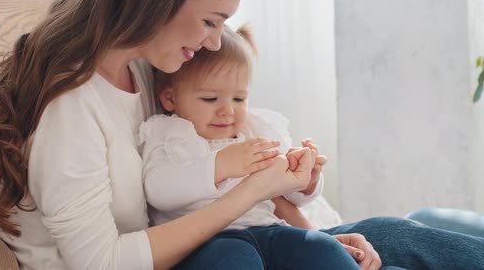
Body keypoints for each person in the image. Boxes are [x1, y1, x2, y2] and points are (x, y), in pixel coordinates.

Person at [0, 0, 484, 269]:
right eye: (212, 21)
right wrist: (254, 192)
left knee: (395, 234)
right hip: (207, 258)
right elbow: (102, 262)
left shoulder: (149, 73)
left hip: (231, 242)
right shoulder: (70, 109)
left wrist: (304, 225)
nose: (217, 42)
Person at [140, 25, 360, 269]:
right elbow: (158, 191)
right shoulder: (169, 134)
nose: (228, 111)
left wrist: (305, 183)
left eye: (239, 99)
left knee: (321, 247)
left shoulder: (257, 130)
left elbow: (287, 197)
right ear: (169, 98)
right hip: (208, 242)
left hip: (269, 230)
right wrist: (220, 165)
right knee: (234, 260)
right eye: (210, 99)